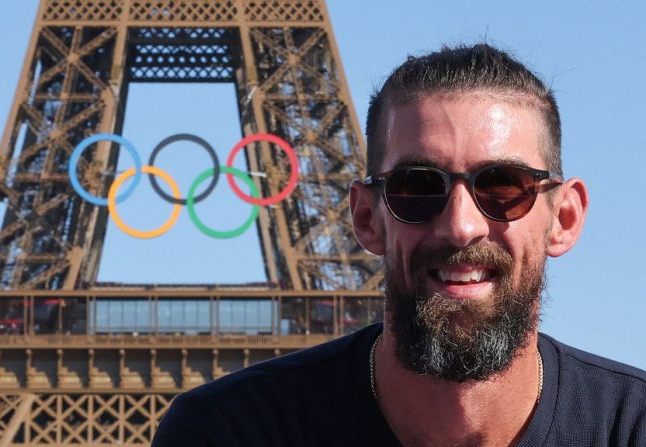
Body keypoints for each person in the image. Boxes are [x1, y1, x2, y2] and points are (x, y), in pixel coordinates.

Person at [152, 44, 646, 446]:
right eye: (418, 186)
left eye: (502, 186)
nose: (461, 225)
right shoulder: (224, 433)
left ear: (564, 218)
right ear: (367, 218)